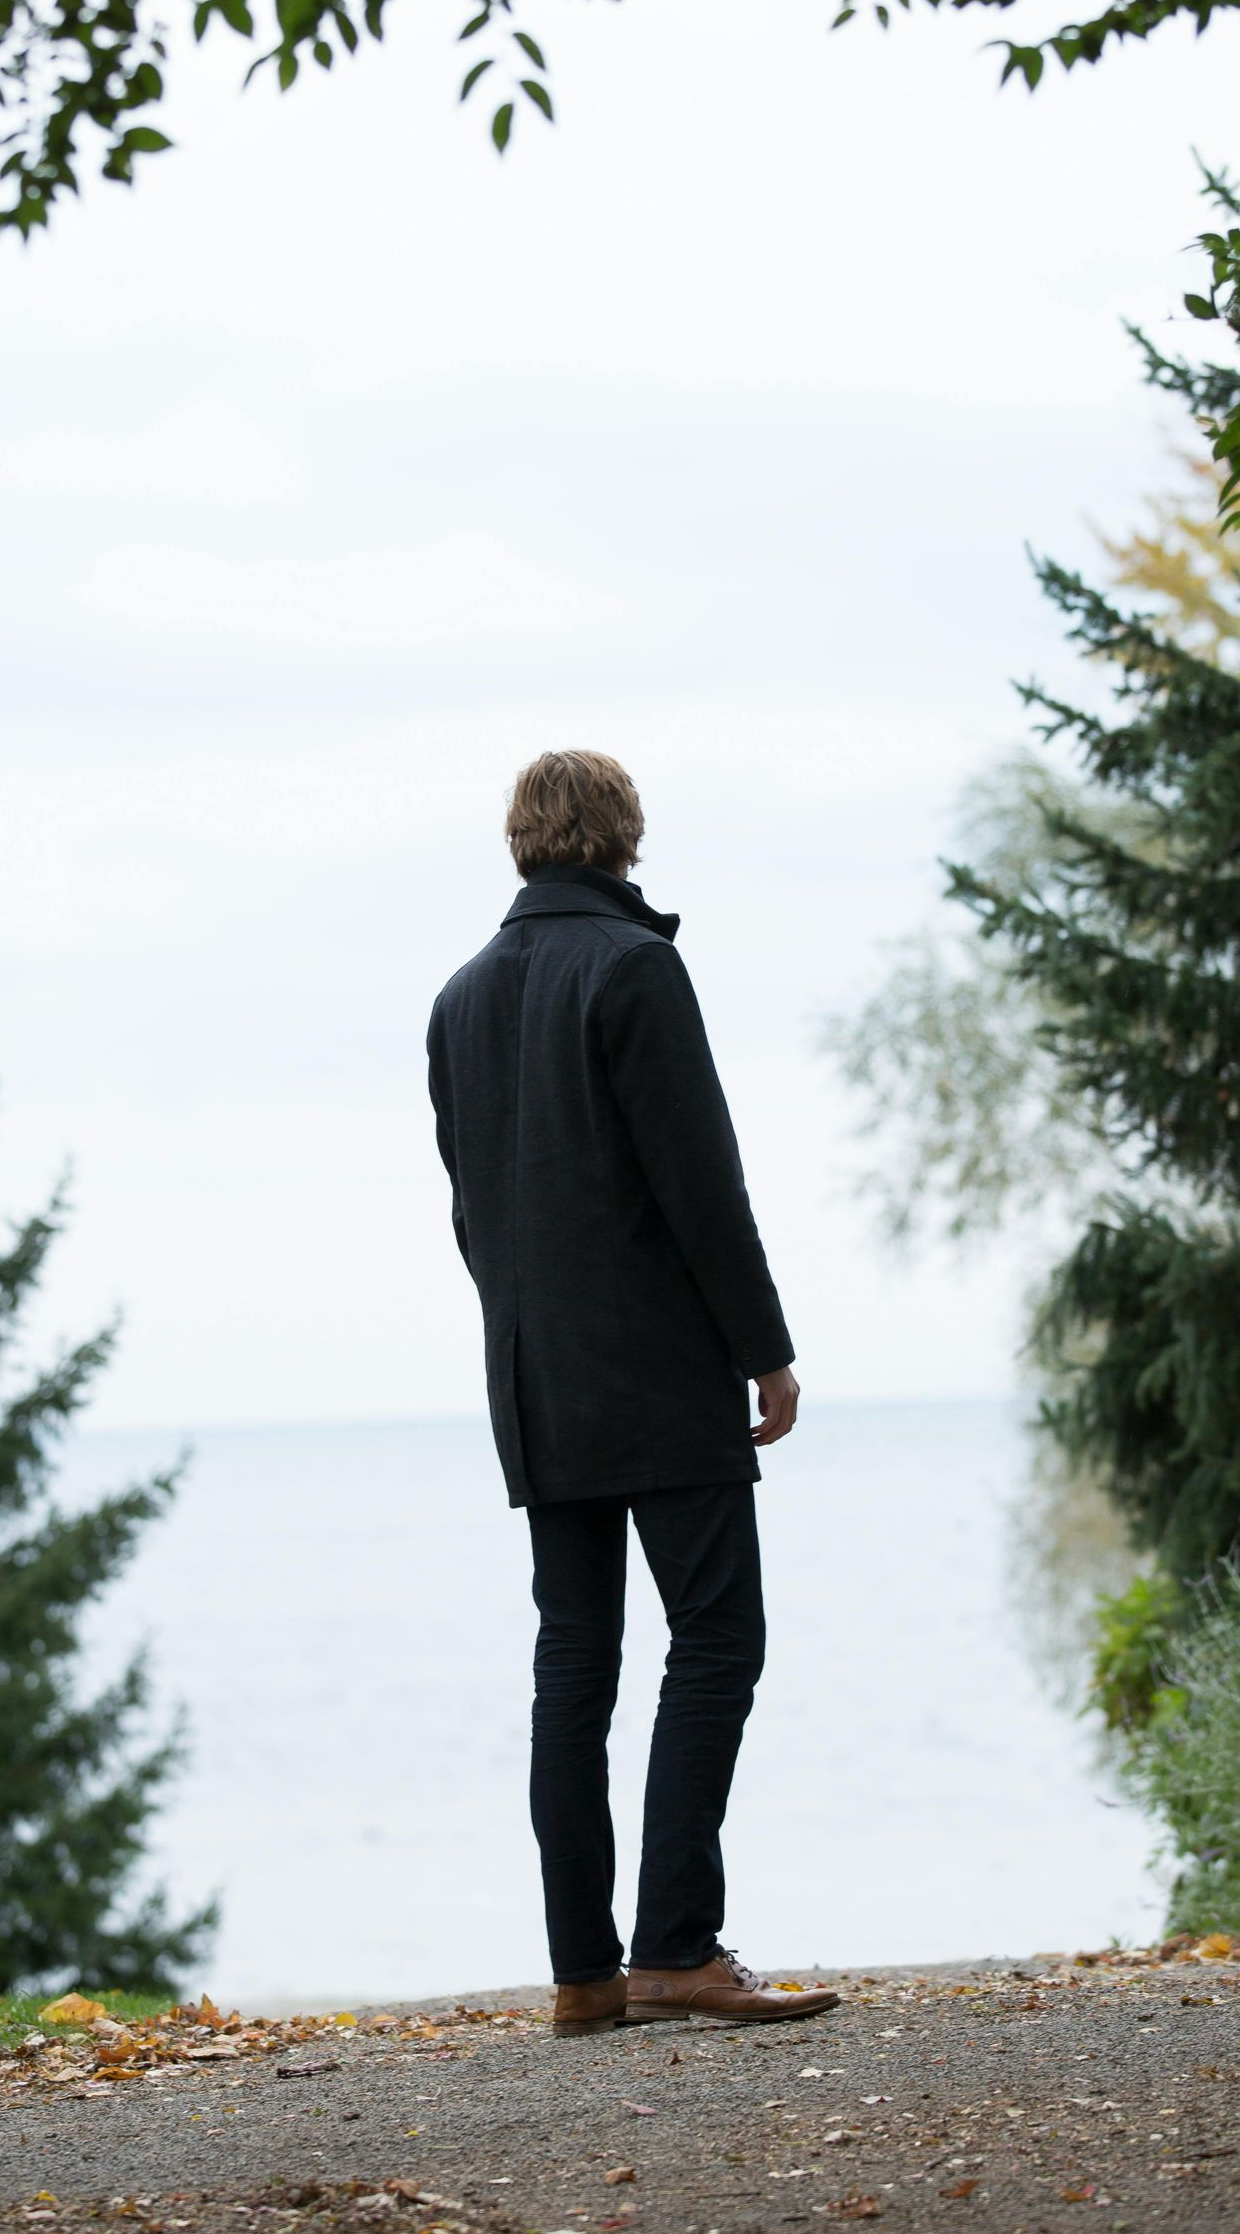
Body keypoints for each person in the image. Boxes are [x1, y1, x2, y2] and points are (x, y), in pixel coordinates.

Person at [426, 750, 838, 2034]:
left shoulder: (457, 1000)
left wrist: (523, 1342)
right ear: (621, 837)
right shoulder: (634, 968)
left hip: (535, 1376)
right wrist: (762, 1347)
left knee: (575, 1663)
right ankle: (674, 1946)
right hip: (658, 1369)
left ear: (521, 842)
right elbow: (700, 1184)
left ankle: (583, 1974)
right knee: (717, 1639)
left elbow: (473, 1210)